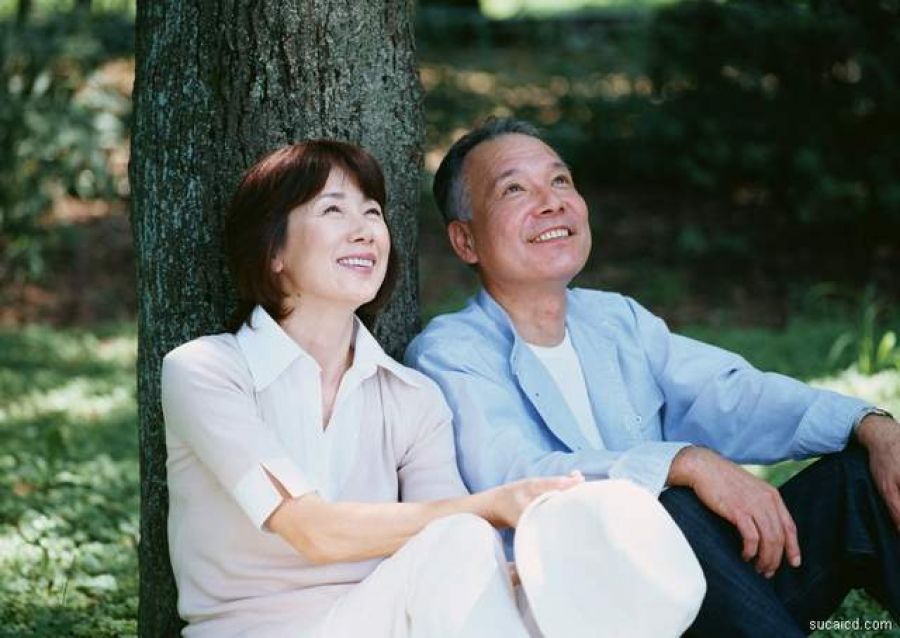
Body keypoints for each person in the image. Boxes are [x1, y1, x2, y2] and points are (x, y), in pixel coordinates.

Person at [161, 139, 704, 638]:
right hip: (263, 629)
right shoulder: (208, 371)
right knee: (463, 535)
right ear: (273, 251)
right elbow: (313, 531)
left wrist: (563, 570)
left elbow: (451, 554)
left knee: (579, 566)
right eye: (333, 210)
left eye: (372, 213)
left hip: (394, 620)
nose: (364, 230)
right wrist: (494, 506)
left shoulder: (411, 397)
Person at [405, 118, 900, 637]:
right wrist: (679, 463)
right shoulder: (451, 353)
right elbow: (514, 475)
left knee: (858, 480)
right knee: (663, 503)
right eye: (514, 189)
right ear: (466, 241)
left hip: (705, 590)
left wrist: (868, 422)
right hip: (585, 609)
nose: (551, 202)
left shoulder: (615, 319)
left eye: (560, 180)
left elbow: (731, 393)